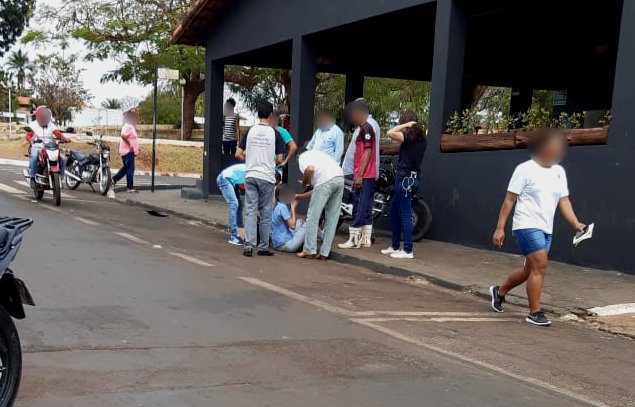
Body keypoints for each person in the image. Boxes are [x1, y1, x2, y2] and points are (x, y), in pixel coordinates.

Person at [489, 129, 586, 327]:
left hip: (545, 228)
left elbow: (564, 201)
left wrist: (576, 224)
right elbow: (509, 200)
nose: (558, 150)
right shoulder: (525, 169)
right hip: (525, 225)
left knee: (529, 270)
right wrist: (500, 228)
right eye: (555, 145)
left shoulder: (559, 172)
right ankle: (534, 313)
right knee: (540, 265)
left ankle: (499, 292)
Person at [235, 101, 285, 257]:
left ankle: (248, 245)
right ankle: (263, 247)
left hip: (250, 175)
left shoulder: (249, 131)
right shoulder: (274, 133)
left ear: (257, 113)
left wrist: (250, 160)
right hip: (266, 177)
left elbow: (238, 154)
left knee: (250, 210)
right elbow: (279, 158)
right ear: (270, 115)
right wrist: (269, 161)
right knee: (265, 212)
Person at [382, 112, 427, 260]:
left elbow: (390, 132)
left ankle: (408, 250)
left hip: (405, 180)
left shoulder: (409, 138)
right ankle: (395, 245)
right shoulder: (421, 139)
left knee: (405, 214)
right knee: (394, 213)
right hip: (410, 179)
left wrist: (406, 125)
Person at [338, 100, 378, 249]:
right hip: (363, 173)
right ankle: (365, 239)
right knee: (365, 205)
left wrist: (360, 174)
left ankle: (354, 239)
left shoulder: (366, 128)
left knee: (359, 205)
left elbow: (367, 151)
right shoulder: (363, 128)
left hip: (365, 174)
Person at [295, 150, 345, 260]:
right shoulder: (318, 155)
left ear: (298, 156)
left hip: (325, 181)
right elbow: (318, 189)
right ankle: (324, 252)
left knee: (313, 216)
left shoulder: (303, 158)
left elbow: (309, 169)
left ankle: (309, 250)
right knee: (332, 218)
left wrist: (304, 183)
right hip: (340, 178)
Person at [26, 106, 68, 185]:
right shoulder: (33, 124)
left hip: (50, 146)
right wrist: (30, 140)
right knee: (34, 158)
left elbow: (57, 133)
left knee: (63, 159)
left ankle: (61, 175)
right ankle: (32, 178)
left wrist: (64, 139)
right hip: (37, 146)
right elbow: (28, 135)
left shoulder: (51, 125)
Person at [342, 98, 381, 179]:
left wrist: (359, 175)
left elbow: (367, 151)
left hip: (361, 174)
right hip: (354, 172)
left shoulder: (368, 125)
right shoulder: (364, 124)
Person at [216, 163, 246, 246]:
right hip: (224, 179)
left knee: (239, 204)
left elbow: (242, 185)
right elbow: (244, 187)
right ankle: (233, 237)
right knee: (234, 204)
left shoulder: (250, 169)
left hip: (230, 180)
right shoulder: (251, 172)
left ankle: (240, 232)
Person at [112, 108, 140, 193]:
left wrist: (137, 146)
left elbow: (132, 138)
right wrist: (131, 145)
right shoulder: (128, 126)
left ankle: (113, 180)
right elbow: (123, 135)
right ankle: (129, 187)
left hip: (128, 151)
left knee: (125, 169)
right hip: (128, 152)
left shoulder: (129, 126)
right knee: (130, 170)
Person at [272, 185, 306, 252]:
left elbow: (288, 220)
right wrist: (293, 208)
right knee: (309, 224)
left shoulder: (278, 205)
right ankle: (319, 239)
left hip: (278, 243)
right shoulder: (282, 207)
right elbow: (292, 226)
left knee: (300, 221)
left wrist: (294, 206)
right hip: (286, 244)